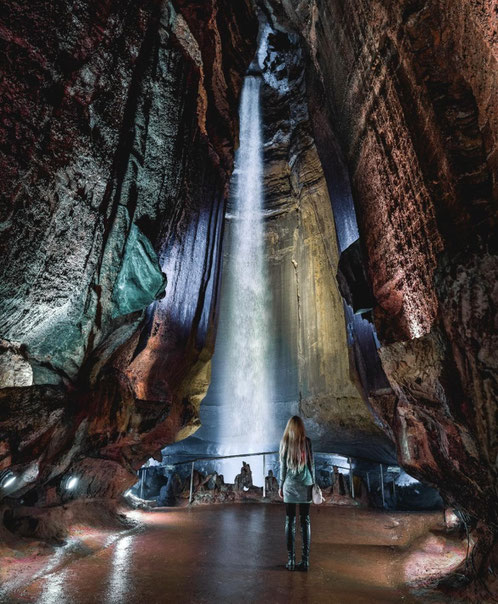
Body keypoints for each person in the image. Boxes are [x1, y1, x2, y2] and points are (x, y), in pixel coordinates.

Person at [278, 416, 315, 571]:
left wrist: (281, 486)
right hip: (305, 485)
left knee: (290, 522)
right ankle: (305, 561)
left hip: (290, 487)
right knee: (305, 521)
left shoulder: (284, 443)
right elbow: (312, 465)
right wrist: (313, 484)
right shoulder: (307, 442)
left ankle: (291, 560)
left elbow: (283, 468)